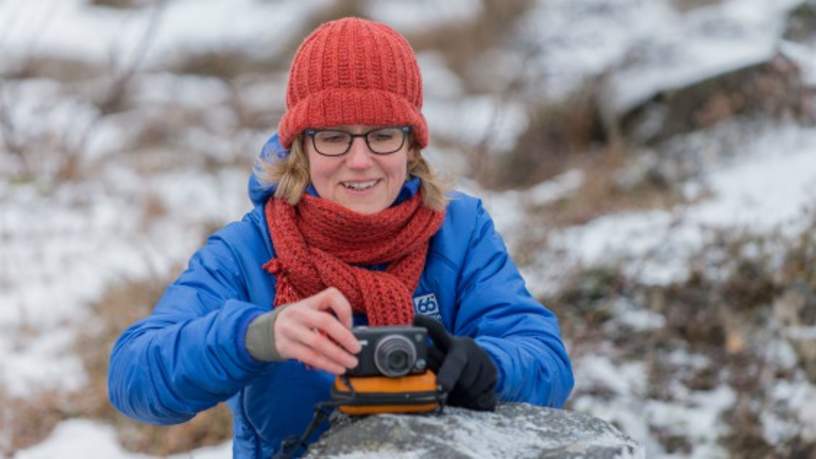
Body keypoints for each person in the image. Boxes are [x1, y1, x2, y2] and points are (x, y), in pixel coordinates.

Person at [108, 16, 574, 458]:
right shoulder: (248, 252)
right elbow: (134, 379)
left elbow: (546, 361)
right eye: (333, 137)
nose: (359, 160)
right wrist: (257, 335)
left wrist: (483, 364)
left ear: (411, 143)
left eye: (382, 135)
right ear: (300, 147)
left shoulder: (460, 230)